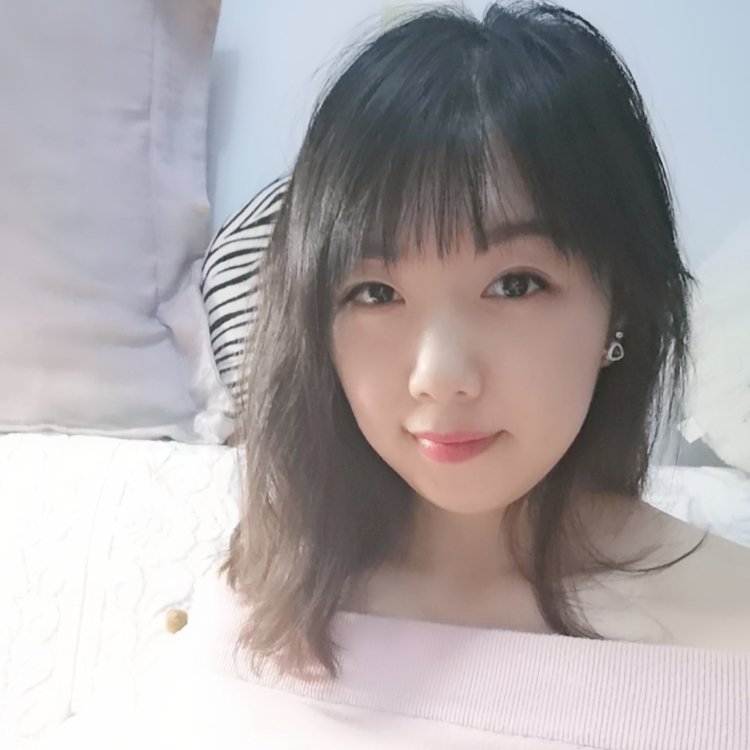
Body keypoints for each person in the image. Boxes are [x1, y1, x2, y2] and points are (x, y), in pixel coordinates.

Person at [30, 2, 750, 749]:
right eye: (375, 293)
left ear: (619, 305)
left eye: (514, 285)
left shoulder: (727, 641)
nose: (439, 376)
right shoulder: (264, 587)